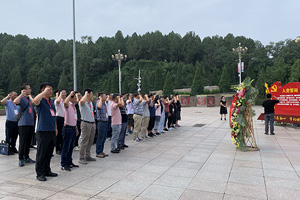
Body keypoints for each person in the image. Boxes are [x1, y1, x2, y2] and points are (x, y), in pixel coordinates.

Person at [32, 82, 58, 181]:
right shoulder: (41, 100)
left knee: (49, 153)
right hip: (42, 131)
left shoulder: (51, 102)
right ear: (43, 90)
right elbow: (34, 101)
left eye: (51, 89)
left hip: (51, 130)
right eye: (48, 89)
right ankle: (40, 173)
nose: (51, 91)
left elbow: (54, 116)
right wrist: (43, 93)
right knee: (41, 153)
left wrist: (55, 128)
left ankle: (47, 170)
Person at [14, 83, 35, 167]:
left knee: (28, 142)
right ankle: (21, 158)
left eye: (30, 88)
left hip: (30, 123)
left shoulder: (29, 99)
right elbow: (15, 101)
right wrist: (21, 94)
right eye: (28, 88)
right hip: (23, 124)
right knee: (22, 142)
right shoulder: (22, 98)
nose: (30, 90)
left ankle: (26, 156)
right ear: (24, 90)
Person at [61, 91, 79, 171]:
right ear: (71, 98)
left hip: (73, 128)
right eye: (74, 97)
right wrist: (70, 94)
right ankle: (64, 164)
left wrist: (76, 128)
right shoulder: (67, 105)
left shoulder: (74, 106)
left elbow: (75, 118)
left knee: (71, 147)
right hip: (67, 128)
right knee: (66, 147)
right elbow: (65, 101)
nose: (76, 99)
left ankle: (69, 162)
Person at [78, 89, 96, 164]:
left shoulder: (90, 103)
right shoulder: (83, 102)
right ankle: (81, 157)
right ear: (87, 94)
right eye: (91, 94)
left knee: (90, 140)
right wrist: (85, 94)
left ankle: (87, 155)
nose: (92, 95)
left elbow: (92, 113)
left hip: (92, 123)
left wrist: (94, 122)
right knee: (84, 141)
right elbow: (81, 102)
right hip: (85, 123)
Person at [95, 93, 109, 158]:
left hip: (105, 121)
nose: (106, 97)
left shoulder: (104, 104)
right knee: (100, 137)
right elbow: (98, 107)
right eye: (104, 96)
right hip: (101, 122)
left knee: (103, 137)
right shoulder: (98, 103)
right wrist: (100, 99)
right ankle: (98, 152)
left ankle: (101, 150)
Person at [54, 90, 66, 155]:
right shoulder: (57, 100)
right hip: (59, 118)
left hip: (64, 118)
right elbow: (57, 101)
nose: (65, 94)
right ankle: (58, 148)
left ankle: (62, 147)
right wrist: (59, 95)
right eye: (63, 93)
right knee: (59, 134)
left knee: (63, 134)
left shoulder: (65, 101)